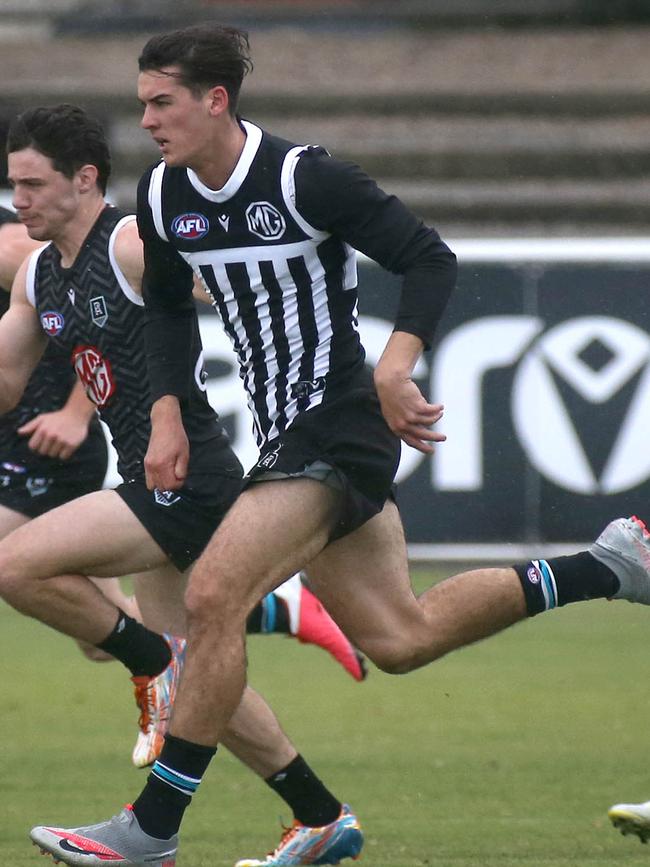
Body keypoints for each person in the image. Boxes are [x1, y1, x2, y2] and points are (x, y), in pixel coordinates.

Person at [28, 25, 650, 867]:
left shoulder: (301, 176)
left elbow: (427, 257)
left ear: (216, 101)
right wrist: (167, 410)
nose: (147, 120)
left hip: (339, 422)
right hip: (290, 433)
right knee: (400, 637)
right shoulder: (168, 195)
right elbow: (170, 304)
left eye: (161, 102)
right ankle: (606, 567)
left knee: (213, 593)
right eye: (142, 103)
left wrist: (398, 366)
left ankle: (152, 829)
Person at [0, 103, 364, 866]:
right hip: (148, 474)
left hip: (187, 474)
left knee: (16, 563)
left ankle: (152, 665)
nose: (19, 199)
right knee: (207, 679)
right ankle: (320, 813)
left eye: (33, 184)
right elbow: (4, 379)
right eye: (13, 185)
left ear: (85, 179)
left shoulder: (132, 242)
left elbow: (225, 284)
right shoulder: (37, 275)